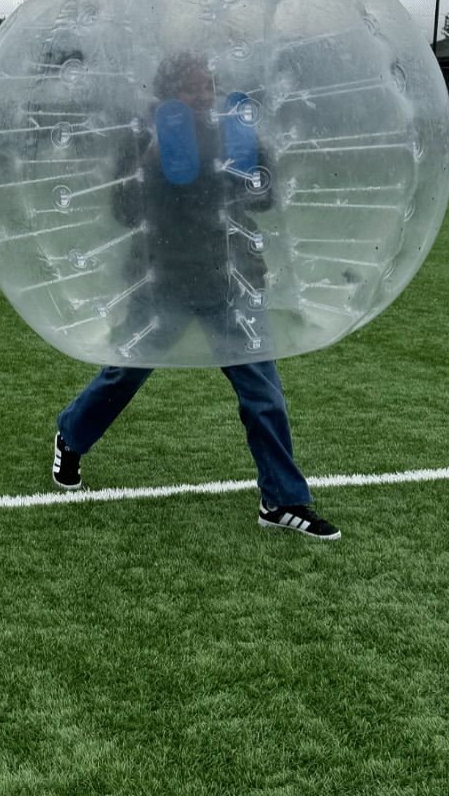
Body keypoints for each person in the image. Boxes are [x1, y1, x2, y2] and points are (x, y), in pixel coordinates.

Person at [50, 50, 339, 539]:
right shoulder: (144, 136)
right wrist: (151, 160)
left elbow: (264, 197)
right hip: (165, 278)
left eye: (209, 86)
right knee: (125, 373)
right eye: (193, 88)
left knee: (262, 392)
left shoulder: (232, 130)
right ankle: (72, 435)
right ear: (168, 94)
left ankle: (283, 500)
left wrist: (250, 158)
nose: (205, 96)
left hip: (234, 277)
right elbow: (122, 210)